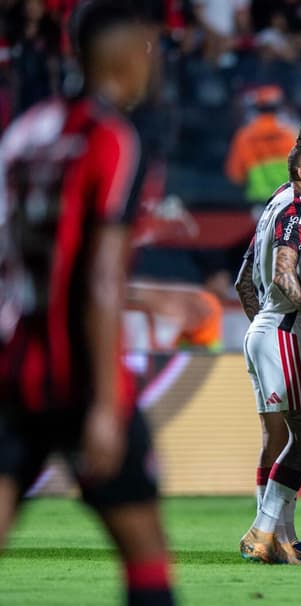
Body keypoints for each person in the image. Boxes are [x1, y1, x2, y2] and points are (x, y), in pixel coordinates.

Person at [0, 2, 175, 604]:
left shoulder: (24, 132)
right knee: (147, 555)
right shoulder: (112, 139)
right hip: (77, 373)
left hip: (11, 368)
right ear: (127, 53)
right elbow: (99, 278)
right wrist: (105, 401)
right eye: (149, 48)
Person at [236, 139, 301, 564]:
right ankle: (263, 530)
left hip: (268, 330)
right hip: (284, 331)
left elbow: (245, 280)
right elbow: (284, 273)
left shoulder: (290, 210)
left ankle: (274, 537)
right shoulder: (298, 209)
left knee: (296, 435)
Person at [225, 85, 298, 204]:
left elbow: (235, 175)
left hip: (259, 205)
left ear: (255, 109)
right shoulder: (292, 135)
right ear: (280, 108)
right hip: (289, 201)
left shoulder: (244, 136)